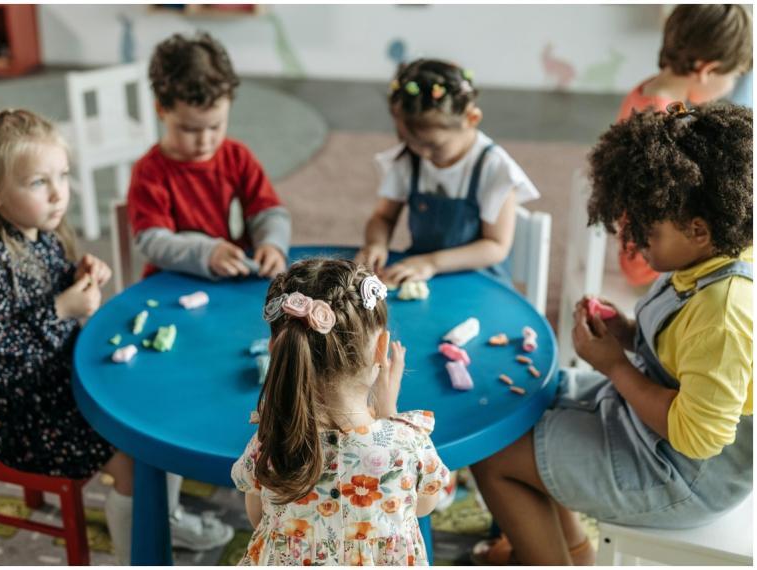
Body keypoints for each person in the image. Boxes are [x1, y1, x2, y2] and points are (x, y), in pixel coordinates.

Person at [0, 109, 231, 564]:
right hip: (22, 417)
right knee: (135, 464)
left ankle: (165, 517)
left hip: (61, 384)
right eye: (39, 182)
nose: (59, 193)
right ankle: (139, 553)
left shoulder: (38, 235)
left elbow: (41, 301)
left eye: (63, 176)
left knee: (157, 416)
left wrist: (76, 276)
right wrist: (61, 308)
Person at [470, 102, 752, 565]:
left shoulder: (725, 313)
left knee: (493, 458)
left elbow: (696, 439)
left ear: (699, 230)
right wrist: (626, 333)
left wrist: (615, 366)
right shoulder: (705, 257)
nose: (635, 242)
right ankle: (574, 552)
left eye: (648, 232)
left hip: (687, 477)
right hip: (648, 427)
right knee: (520, 405)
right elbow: (683, 354)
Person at [231, 258, 450, 565]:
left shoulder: (270, 443)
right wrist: (388, 413)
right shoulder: (408, 445)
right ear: (381, 349)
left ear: (276, 349)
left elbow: (258, 518)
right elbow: (424, 505)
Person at [355, 58, 539, 287]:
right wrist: (376, 244)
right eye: (409, 141)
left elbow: (496, 246)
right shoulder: (409, 159)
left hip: (480, 280)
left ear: (471, 119)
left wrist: (432, 263)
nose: (422, 154)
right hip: (422, 274)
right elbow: (383, 217)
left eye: (433, 146)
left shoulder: (494, 169)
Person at [128, 32, 291, 281]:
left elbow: (267, 211)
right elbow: (153, 241)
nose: (205, 141)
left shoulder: (237, 157)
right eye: (189, 129)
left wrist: (272, 243)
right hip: (172, 281)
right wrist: (206, 252)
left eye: (215, 126)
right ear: (161, 109)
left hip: (232, 275)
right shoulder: (149, 172)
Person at [615, 4, 752, 287]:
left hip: (642, 244)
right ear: (707, 70)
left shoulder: (649, 92)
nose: (730, 86)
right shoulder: (662, 122)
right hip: (657, 263)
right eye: (733, 76)